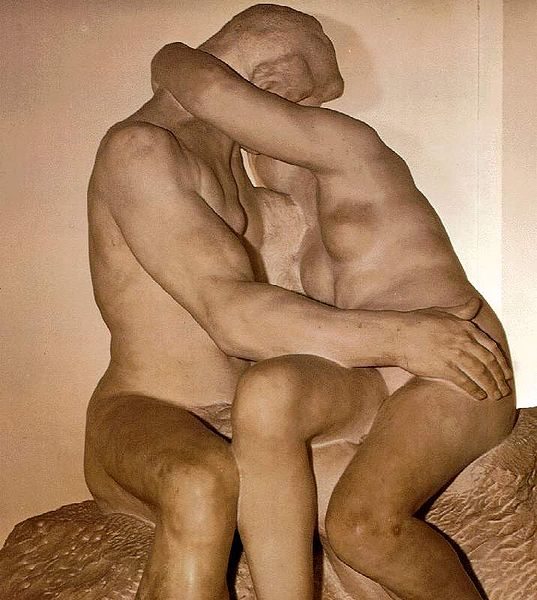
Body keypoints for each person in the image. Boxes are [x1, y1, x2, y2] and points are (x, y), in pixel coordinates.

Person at [85, 5, 510, 600]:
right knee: (204, 482)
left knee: (351, 518)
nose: (311, 118)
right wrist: (404, 337)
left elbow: (304, 329)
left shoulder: (277, 185)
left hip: (340, 388)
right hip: (154, 405)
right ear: (272, 83)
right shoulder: (142, 149)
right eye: (309, 100)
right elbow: (232, 314)